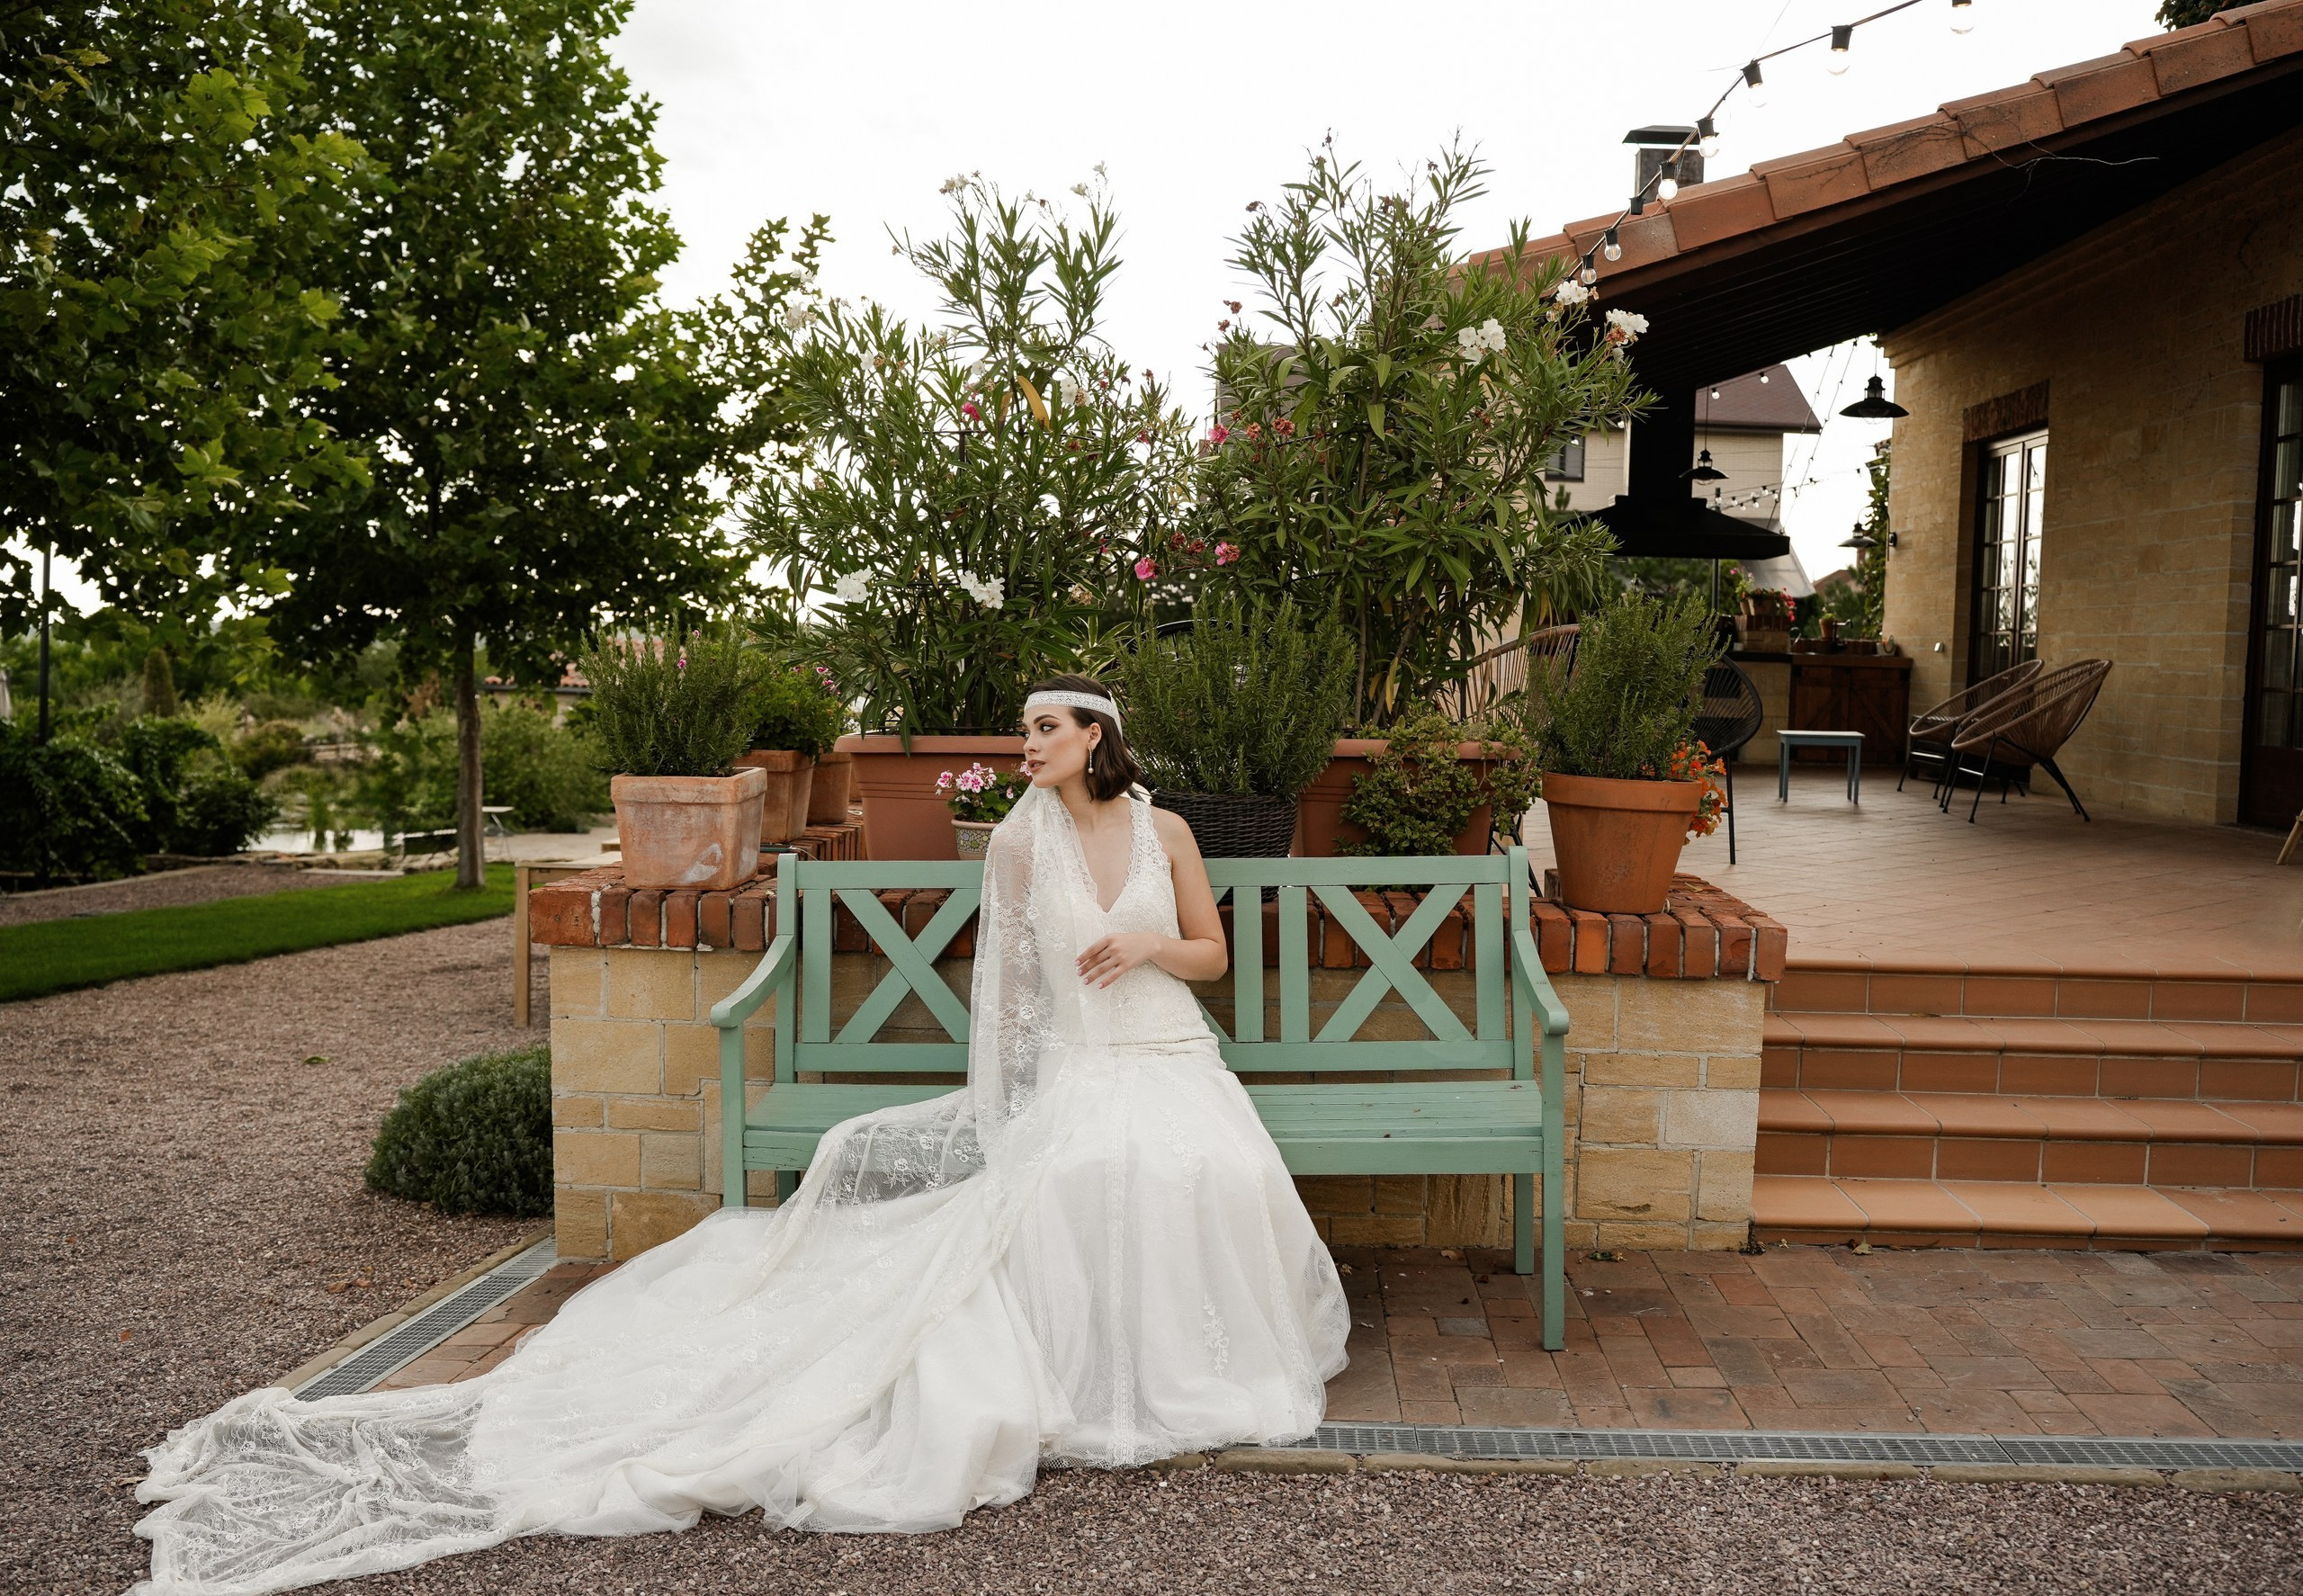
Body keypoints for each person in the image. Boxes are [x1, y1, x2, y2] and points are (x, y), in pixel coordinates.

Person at [131, 674, 1349, 1594]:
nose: (1024, 746)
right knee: (1086, 1168)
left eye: (1044, 729)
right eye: (1022, 730)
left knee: (1214, 1162)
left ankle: (1187, 1365)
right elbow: (1012, 995)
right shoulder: (1021, 843)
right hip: (1084, 1066)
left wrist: (1143, 943)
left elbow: (1213, 954)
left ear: (1094, 738)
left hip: (1168, 1050)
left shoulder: (1167, 829)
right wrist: (1017, 1099)